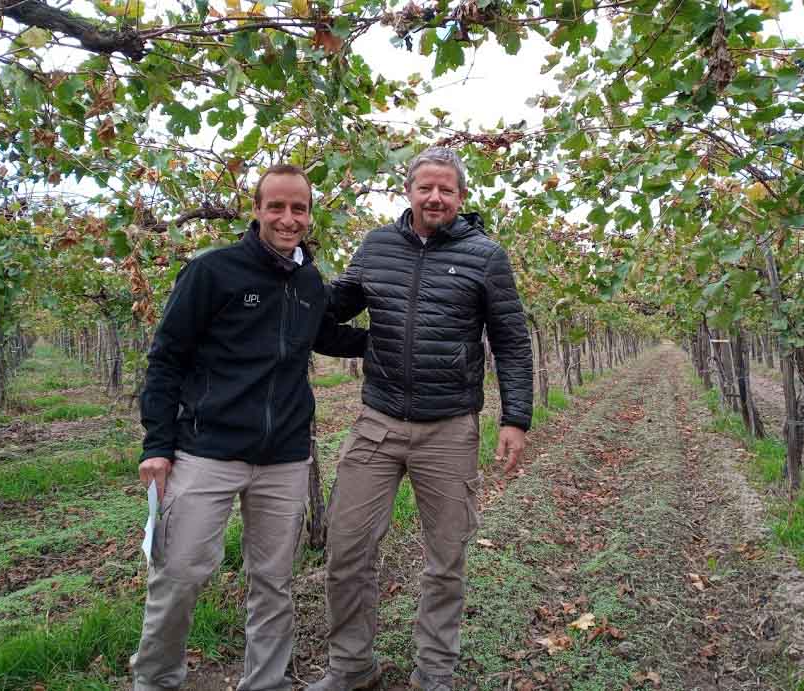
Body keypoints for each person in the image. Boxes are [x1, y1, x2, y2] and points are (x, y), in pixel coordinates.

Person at [131, 164, 366, 691]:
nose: (288, 218)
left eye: (298, 208)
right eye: (276, 206)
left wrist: (396, 339)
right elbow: (167, 359)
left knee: (273, 581)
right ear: (256, 209)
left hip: (284, 457)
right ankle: (157, 680)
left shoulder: (308, 280)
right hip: (207, 450)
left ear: (309, 214)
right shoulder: (213, 271)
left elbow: (322, 335)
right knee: (180, 574)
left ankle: (266, 682)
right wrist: (157, 445)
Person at [309, 147, 533, 691]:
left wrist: (515, 418)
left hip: (449, 429)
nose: (435, 197)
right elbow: (327, 312)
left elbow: (510, 340)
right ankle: (352, 667)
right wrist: (365, 340)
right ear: (408, 191)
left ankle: (435, 670)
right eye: (425, 188)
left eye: (447, 190)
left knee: (446, 555)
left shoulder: (485, 256)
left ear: (460, 196)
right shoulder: (377, 246)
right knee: (347, 547)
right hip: (377, 421)